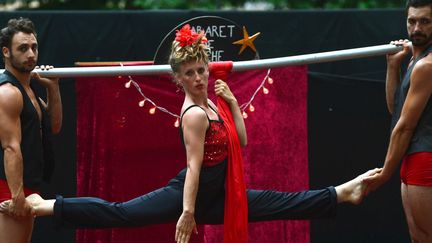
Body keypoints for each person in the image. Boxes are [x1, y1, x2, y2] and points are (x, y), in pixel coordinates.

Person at [0, 24, 379, 243]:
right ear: (178, 79)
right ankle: (49, 206)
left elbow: (241, 143)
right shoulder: (195, 112)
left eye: (203, 70)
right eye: (191, 73)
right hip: (192, 192)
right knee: (123, 214)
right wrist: (186, 213)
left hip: (221, 191)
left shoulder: (214, 102)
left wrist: (231, 103)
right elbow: (194, 169)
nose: (200, 78)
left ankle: (343, 193)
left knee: (279, 203)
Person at [363, 0, 432, 242]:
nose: (416, 29)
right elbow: (396, 112)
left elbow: (404, 128)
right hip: (412, 158)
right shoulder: (416, 61)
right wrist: (393, 66)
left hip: (426, 159)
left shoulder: (427, 65)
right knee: (417, 236)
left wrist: (385, 174)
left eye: (425, 21)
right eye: (412, 21)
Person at [0, 17, 62, 243]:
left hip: (26, 183)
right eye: (23, 48)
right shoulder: (8, 92)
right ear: (6, 52)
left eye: (34, 47)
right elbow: (10, 147)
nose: (31, 54)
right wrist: (17, 197)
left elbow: (53, 126)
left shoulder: (28, 90)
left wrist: (53, 88)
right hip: (9, 186)